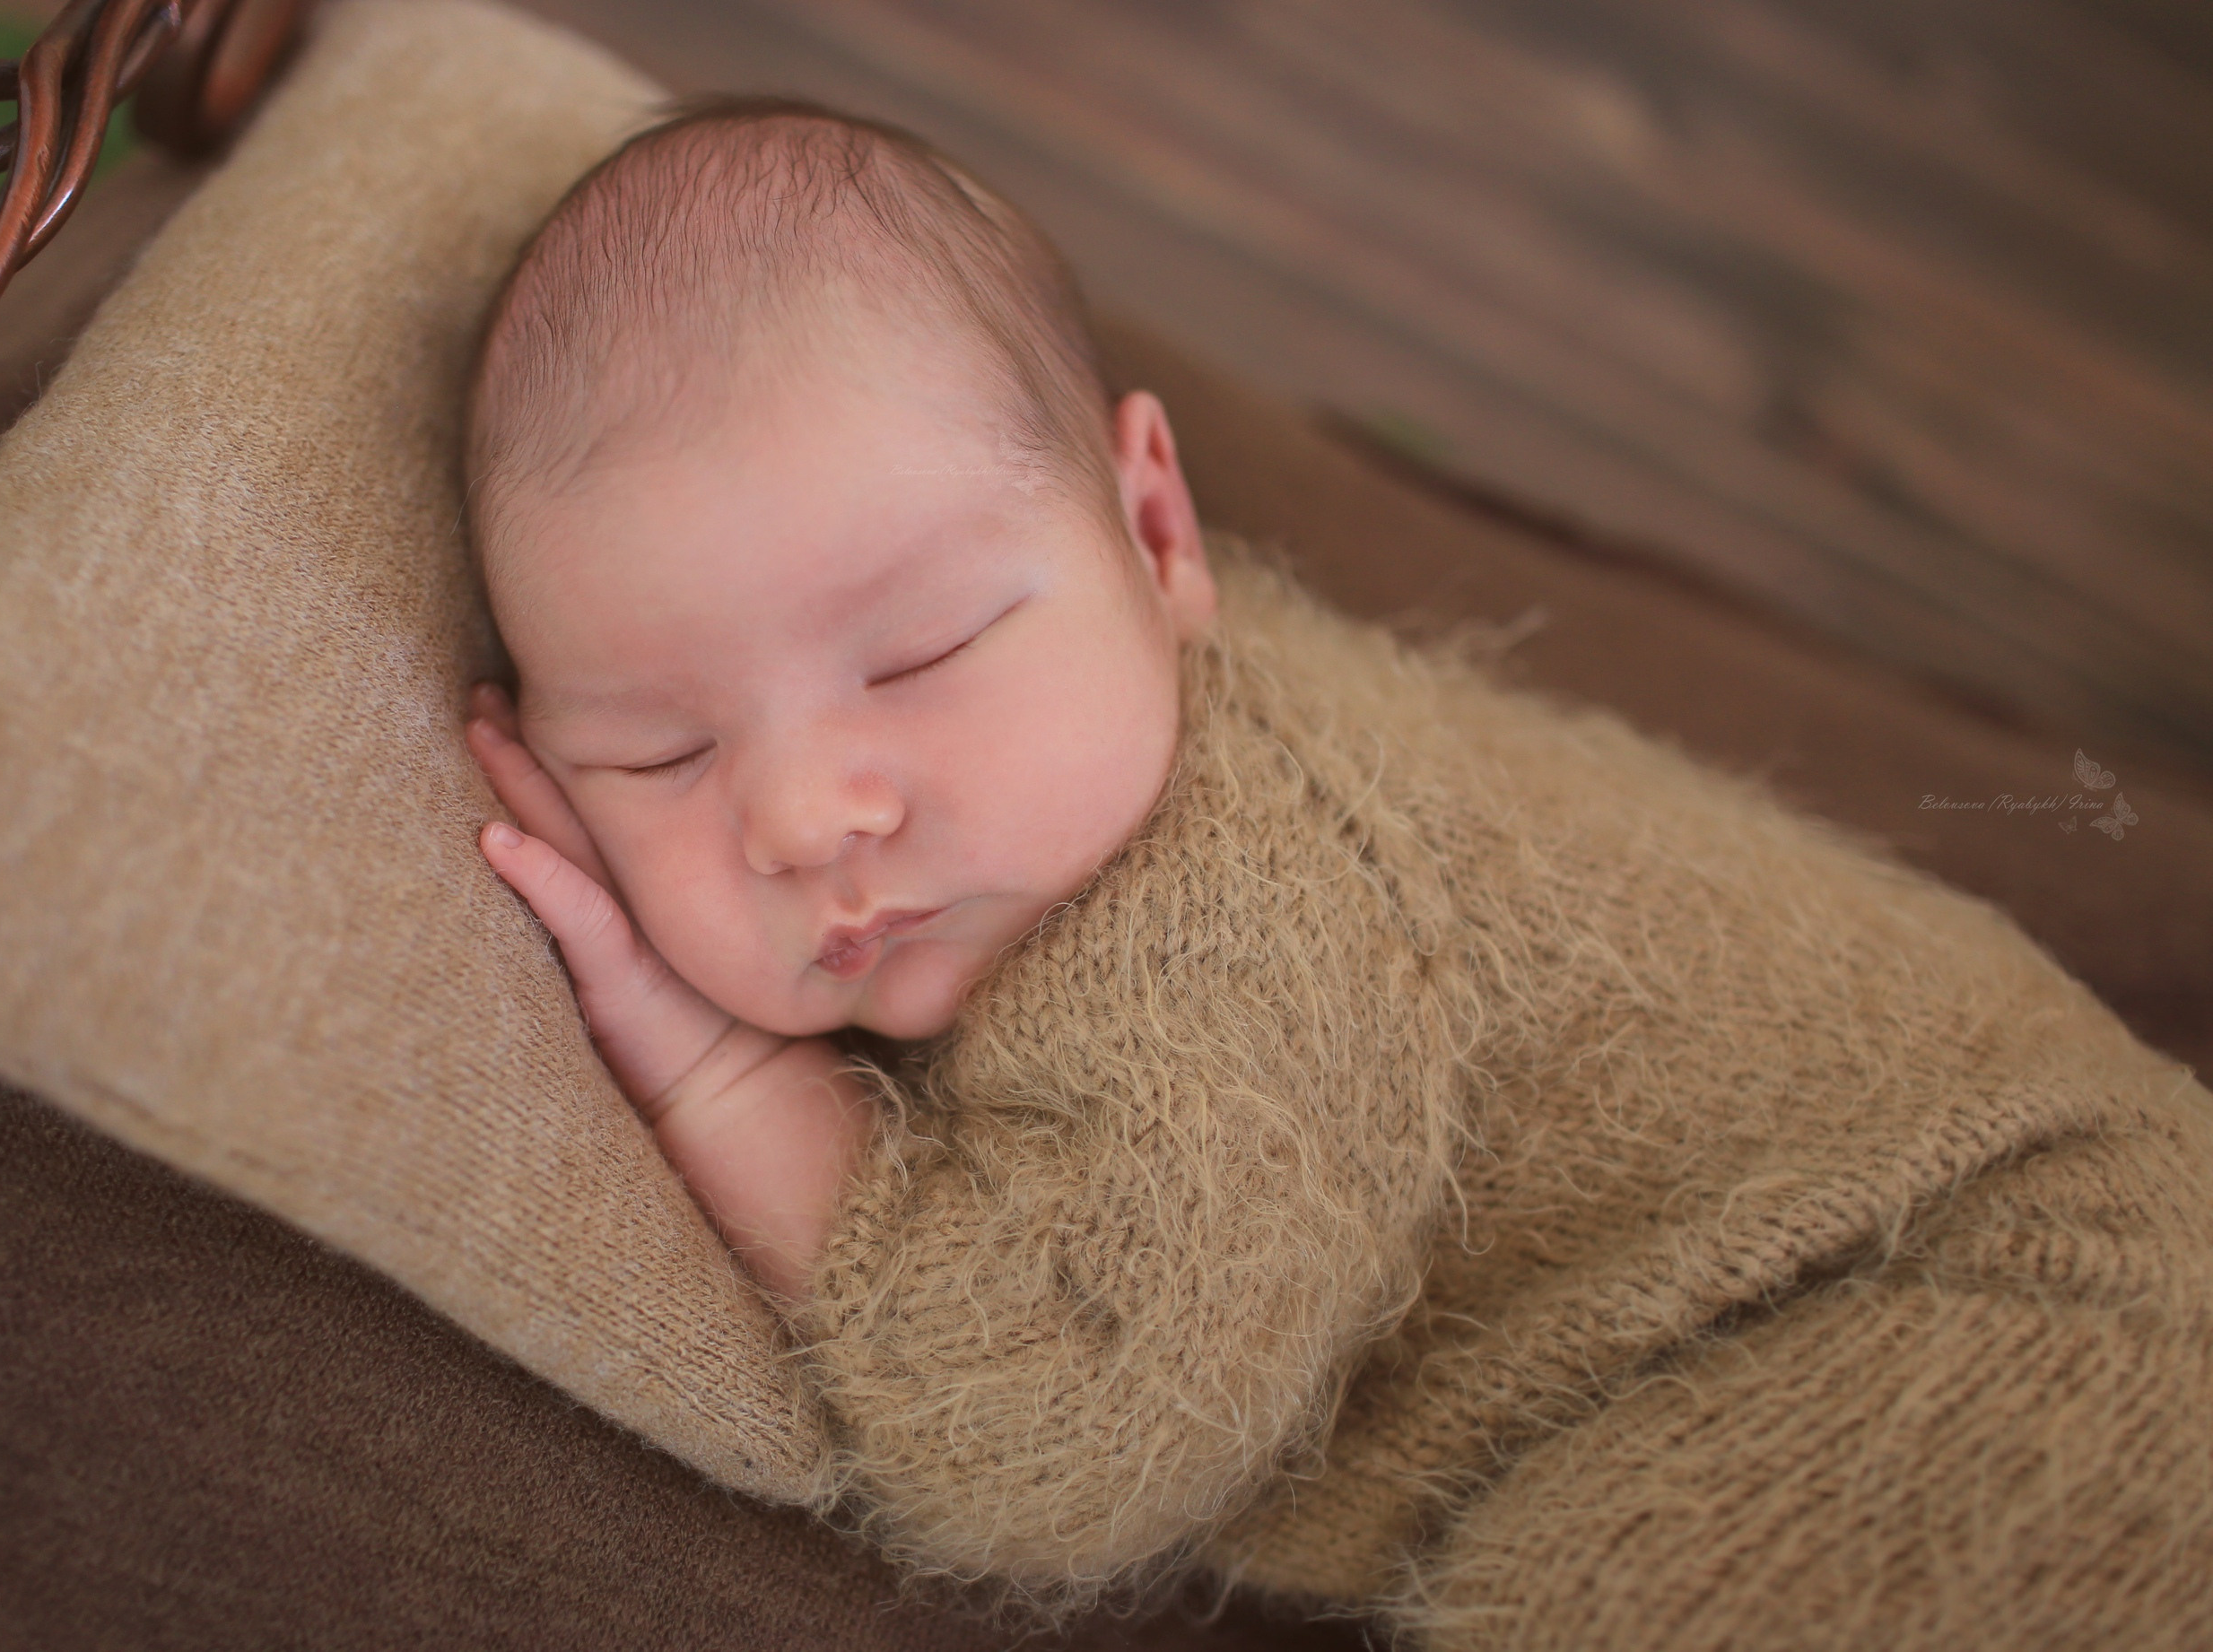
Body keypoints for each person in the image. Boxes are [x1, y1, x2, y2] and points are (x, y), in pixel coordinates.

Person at [460, 94, 2213, 1649]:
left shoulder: (1241, 924)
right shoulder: (1083, 767)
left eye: (918, 653)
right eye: (660, 754)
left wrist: (728, 1084)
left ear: (1157, 533)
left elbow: (1065, 1431)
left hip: (1999, 1332)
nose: (799, 817)